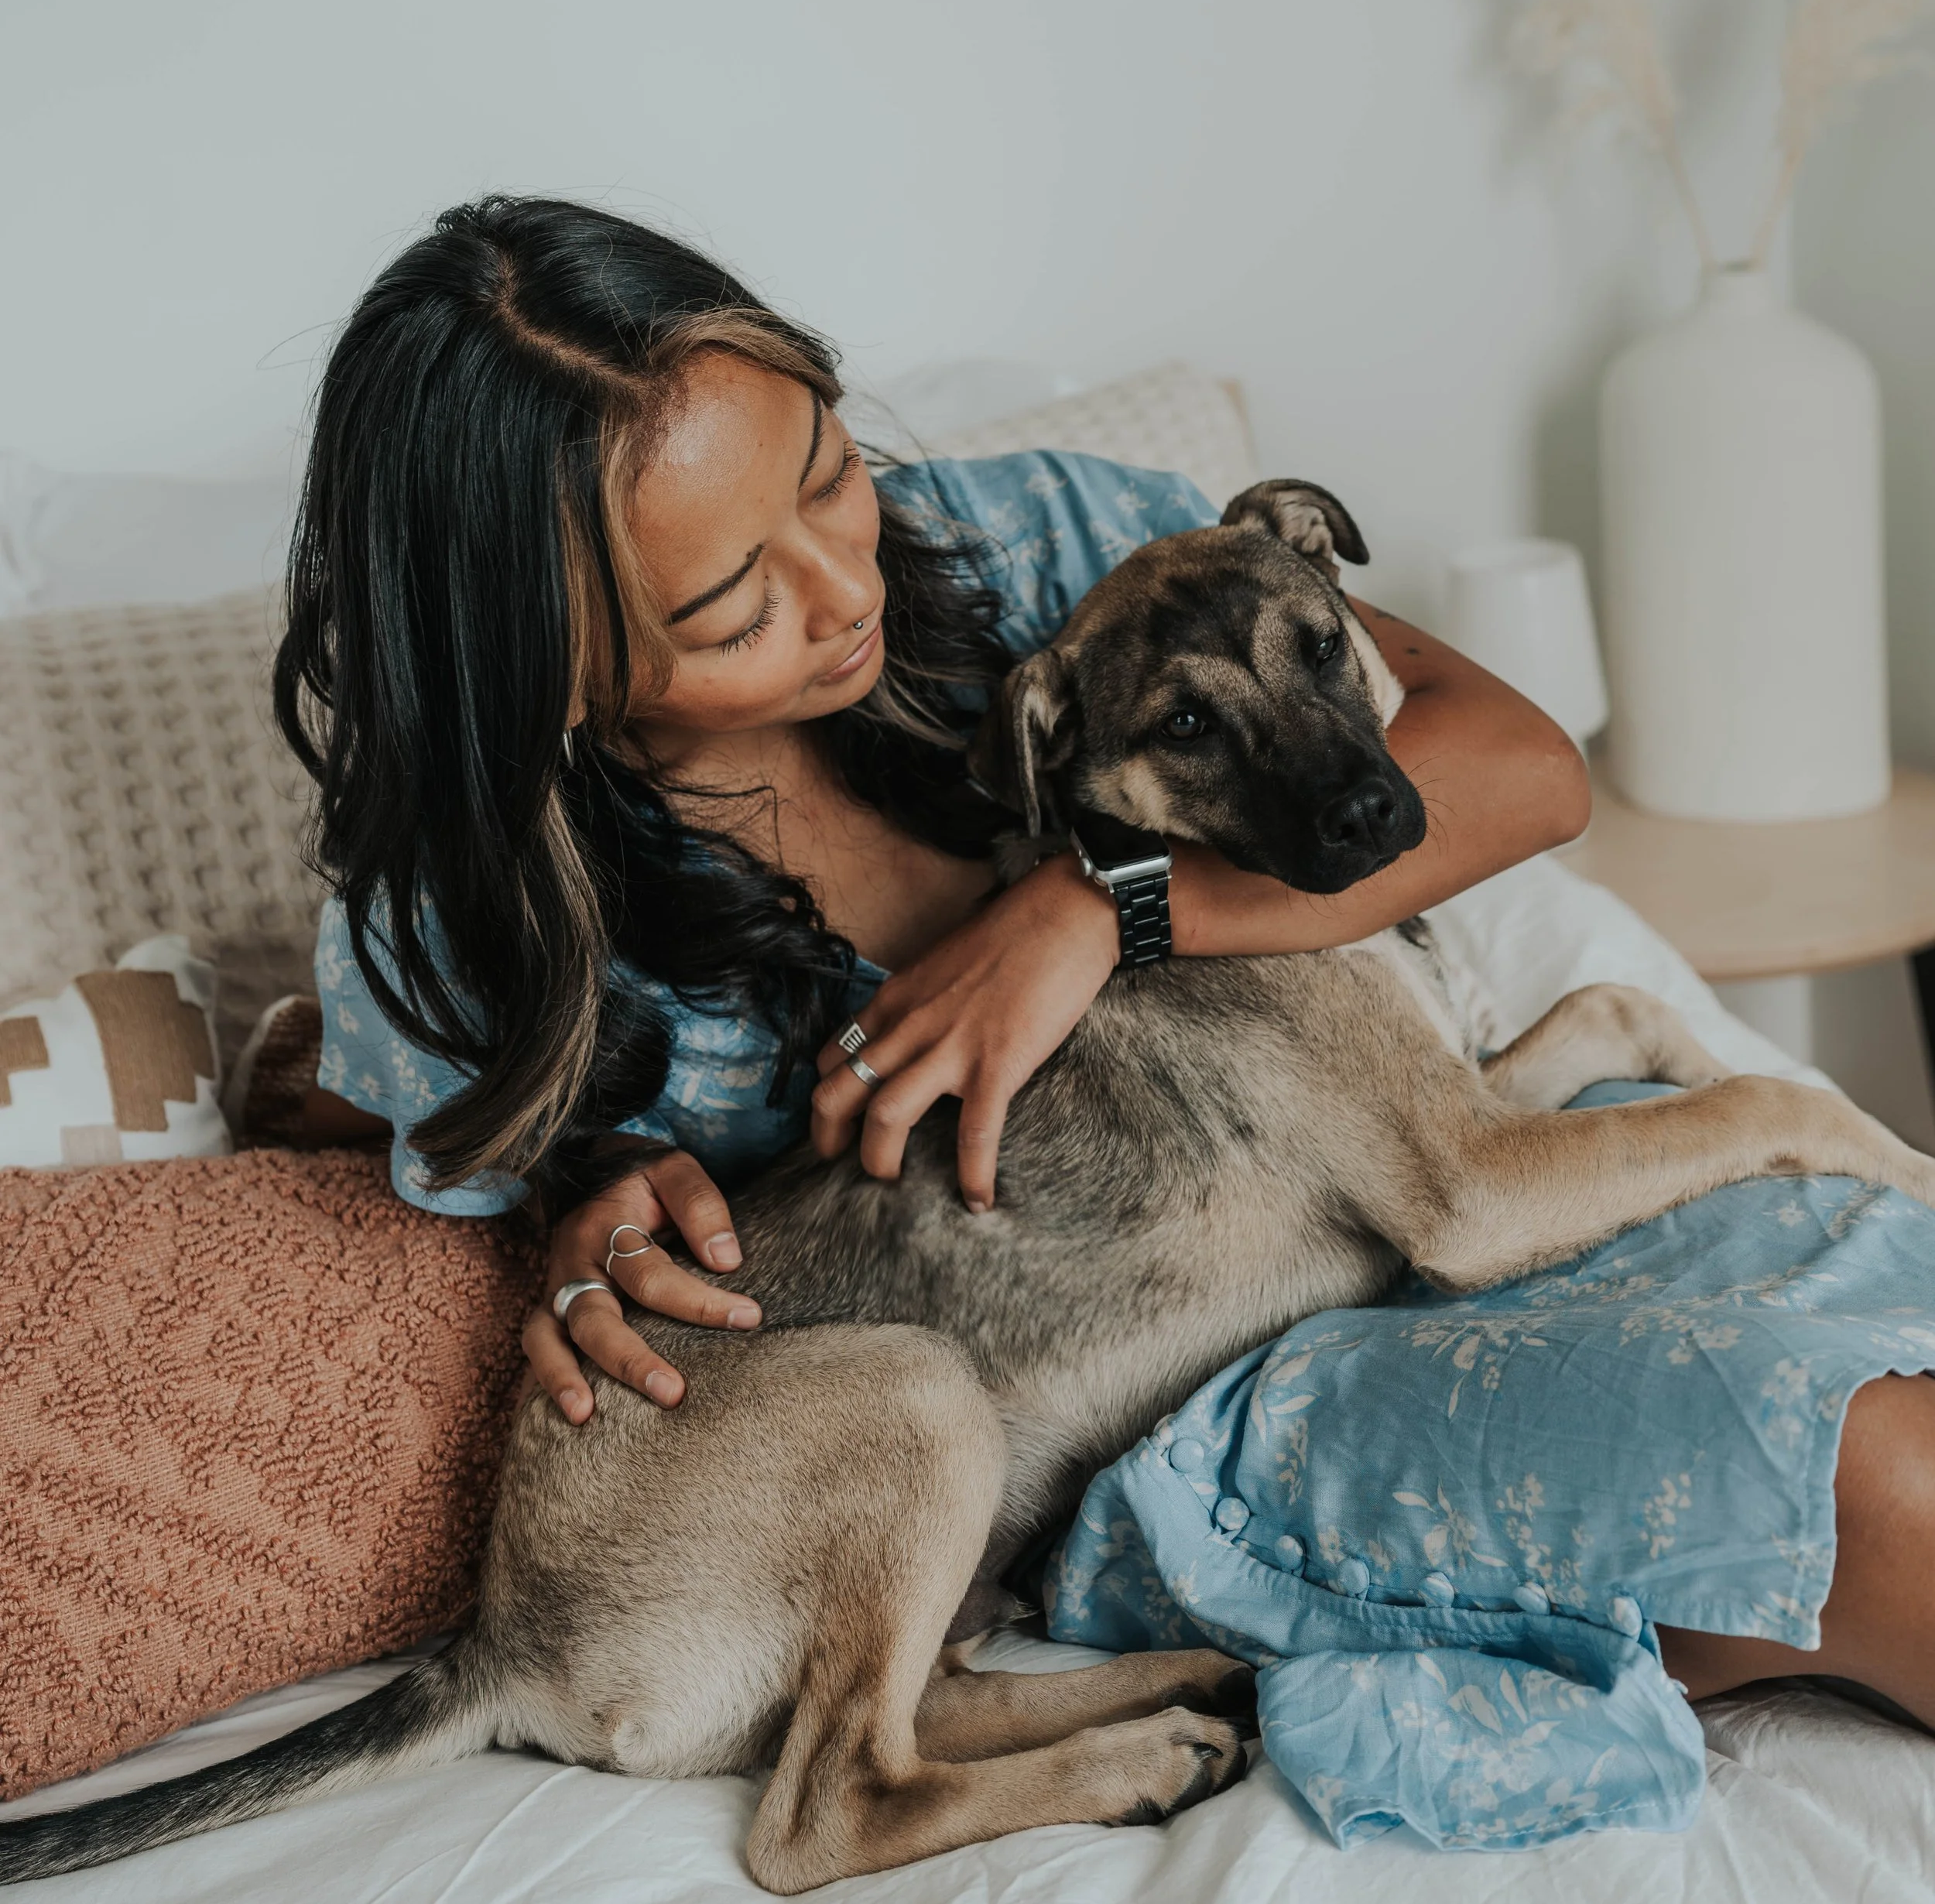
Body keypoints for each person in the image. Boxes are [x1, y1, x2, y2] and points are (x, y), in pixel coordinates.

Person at [279, 194, 1935, 1737]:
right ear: (549, 668)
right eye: (733, 609)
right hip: (1134, 1422)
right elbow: (372, 1140)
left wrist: (1102, 908)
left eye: (830, 474)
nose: (846, 587)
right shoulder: (447, 924)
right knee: (1877, 1486)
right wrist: (578, 1201)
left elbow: (1520, 771)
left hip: (1351, 1224)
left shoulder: (1042, 551)